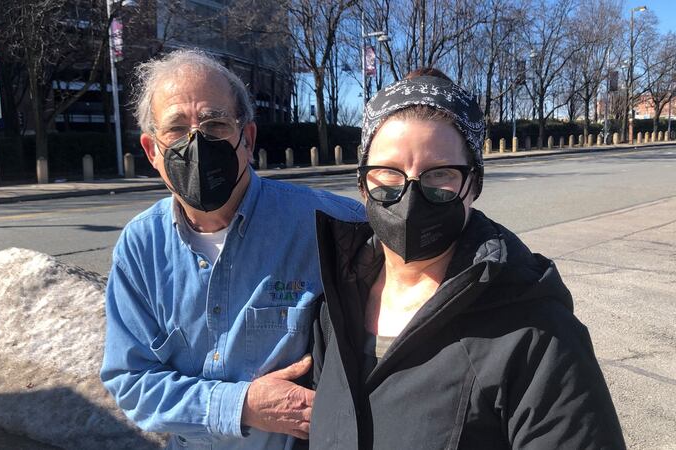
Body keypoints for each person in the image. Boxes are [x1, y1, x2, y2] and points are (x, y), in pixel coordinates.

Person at [307, 68, 626, 449]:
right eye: (389, 173)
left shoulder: (537, 333)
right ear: (363, 183)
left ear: (473, 184)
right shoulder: (335, 308)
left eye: (439, 174)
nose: (410, 197)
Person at [99, 49, 365, 450]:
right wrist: (242, 405)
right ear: (152, 151)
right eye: (176, 130)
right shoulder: (141, 246)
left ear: (248, 139)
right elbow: (131, 380)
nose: (196, 142)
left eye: (215, 123)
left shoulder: (332, 225)